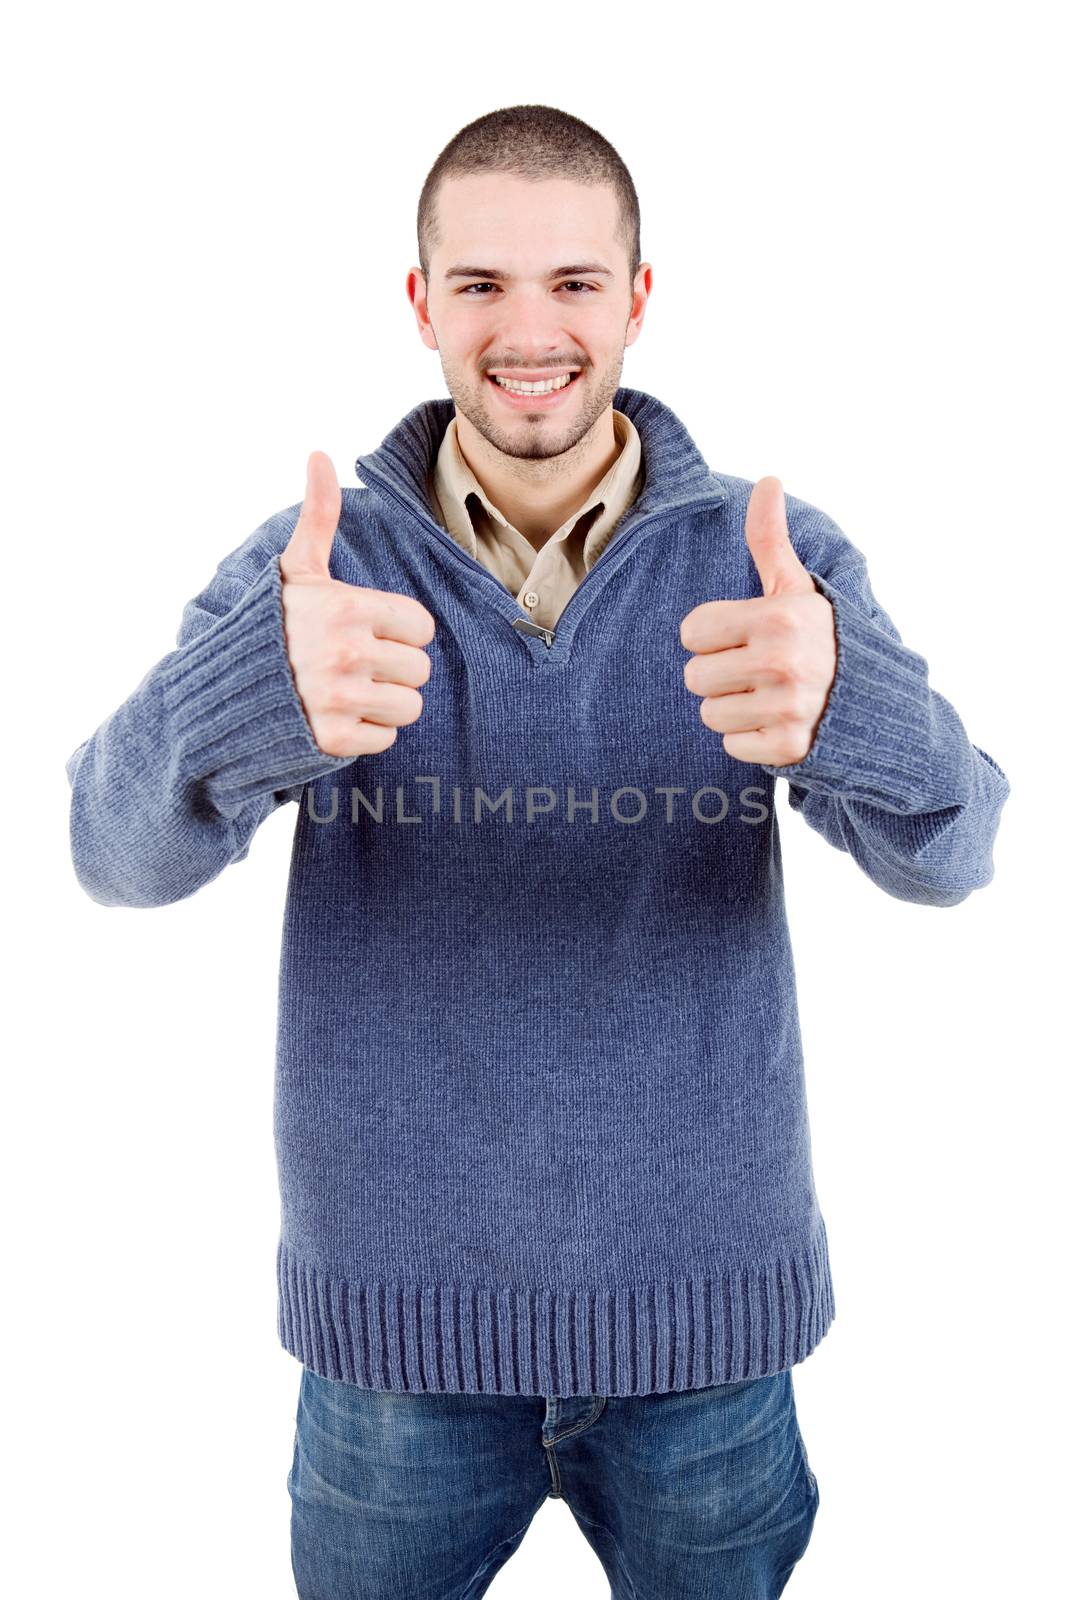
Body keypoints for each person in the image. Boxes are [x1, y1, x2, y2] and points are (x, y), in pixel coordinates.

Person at [64, 104, 1011, 1599]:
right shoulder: (318, 570)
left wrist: (851, 713)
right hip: (397, 1347)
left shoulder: (772, 559)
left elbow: (955, 855)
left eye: (575, 283)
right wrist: (248, 702)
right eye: (483, 285)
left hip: (708, 1333)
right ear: (421, 303)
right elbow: (110, 855)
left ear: (637, 300)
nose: (530, 331)